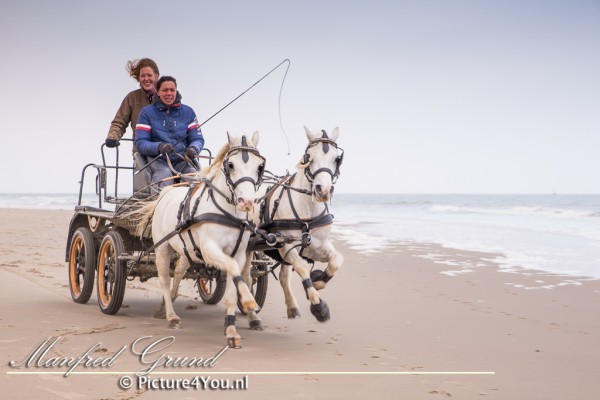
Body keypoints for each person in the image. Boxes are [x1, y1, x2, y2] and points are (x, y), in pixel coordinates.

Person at [135, 76, 204, 189]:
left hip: (183, 161)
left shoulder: (188, 112)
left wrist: (194, 148)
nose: (169, 93)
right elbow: (141, 143)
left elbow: (197, 139)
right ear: (157, 92)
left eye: (172, 90)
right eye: (165, 90)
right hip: (158, 162)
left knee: (195, 179)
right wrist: (159, 147)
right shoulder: (146, 113)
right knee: (164, 177)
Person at [105, 58, 160, 148]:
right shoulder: (132, 98)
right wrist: (112, 136)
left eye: (149, 75)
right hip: (140, 152)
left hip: (163, 152)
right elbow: (119, 122)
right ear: (138, 78)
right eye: (143, 76)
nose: (146, 79)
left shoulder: (166, 97)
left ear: (156, 76)